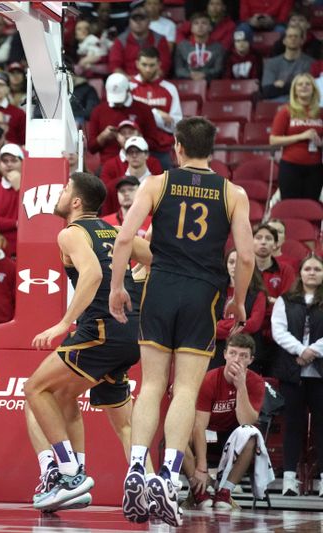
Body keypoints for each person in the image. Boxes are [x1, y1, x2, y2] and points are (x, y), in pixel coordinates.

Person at [109, 117, 254, 526]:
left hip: (160, 286)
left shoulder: (156, 183)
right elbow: (245, 256)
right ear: (213, 149)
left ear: (177, 147)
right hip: (203, 293)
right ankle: (170, 476)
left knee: (151, 384)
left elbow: (124, 238)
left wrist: (117, 287)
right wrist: (239, 300)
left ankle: (138, 467)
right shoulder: (233, 192)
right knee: (186, 388)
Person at [25, 171, 152, 512]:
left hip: (101, 329)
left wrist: (64, 323)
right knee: (76, 400)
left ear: (77, 201)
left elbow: (94, 273)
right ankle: (152, 487)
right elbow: (156, 258)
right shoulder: (115, 231)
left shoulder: (71, 233)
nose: (61, 193)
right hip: (131, 334)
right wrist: (137, 282)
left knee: (35, 389)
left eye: (65, 189)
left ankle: (69, 474)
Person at [182, 334, 270, 510]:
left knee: (251, 436)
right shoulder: (209, 379)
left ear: (251, 360)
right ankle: (198, 490)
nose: (237, 359)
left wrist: (241, 387)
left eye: (243, 356)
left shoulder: (256, 382)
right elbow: (199, 426)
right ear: (224, 354)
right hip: (207, 434)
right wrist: (202, 468)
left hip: (231, 437)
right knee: (179, 436)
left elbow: (246, 422)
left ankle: (224, 493)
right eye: (233, 353)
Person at [271, 255, 323, 498]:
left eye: (317, 269)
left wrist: (314, 351)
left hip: (320, 372)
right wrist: (301, 350)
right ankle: (289, 480)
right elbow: (278, 330)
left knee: (321, 428)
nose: (312, 272)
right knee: (293, 425)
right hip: (292, 370)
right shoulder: (285, 300)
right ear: (300, 273)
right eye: (307, 268)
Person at [269, 74, 323, 201]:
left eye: (307, 84)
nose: (304, 86)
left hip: (315, 168)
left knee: (311, 207)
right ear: (295, 90)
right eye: (300, 84)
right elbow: (273, 140)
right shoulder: (286, 111)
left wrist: (320, 143)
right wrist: (301, 136)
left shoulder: (321, 113)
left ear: (314, 89)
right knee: (290, 206)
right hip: (290, 166)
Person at [87, 73, 161, 165]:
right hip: (109, 164)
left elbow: (155, 144)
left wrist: (136, 138)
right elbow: (91, 148)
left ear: (128, 90)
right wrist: (103, 137)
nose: (117, 103)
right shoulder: (98, 111)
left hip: (138, 162)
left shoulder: (143, 109)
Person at [213, 249, 268, 372]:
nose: (234, 266)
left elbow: (254, 324)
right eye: (231, 262)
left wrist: (221, 325)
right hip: (218, 350)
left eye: (239, 262)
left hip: (246, 351)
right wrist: (238, 324)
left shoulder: (257, 293)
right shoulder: (216, 292)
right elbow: (209, 325)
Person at [130, 47, 181, 171]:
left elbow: (176, 125)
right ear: (137, 64)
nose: (148, 69)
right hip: (133, 148)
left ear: (159, 64)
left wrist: (144, 114)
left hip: (161, 149)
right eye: (144, 65)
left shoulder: (170, 89)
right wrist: (155, 113)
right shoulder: (129, 87)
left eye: (152, 65)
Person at [108, 2, 172, 76]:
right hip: (128, 82)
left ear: (149, 21)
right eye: (135, 19)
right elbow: (115, 65)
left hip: (154, 82)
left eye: (142, 19)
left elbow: (165, 65)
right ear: (129, 22)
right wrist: (130, 80)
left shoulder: (160, 39)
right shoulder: (120, 41)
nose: (138, 22)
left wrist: (148, 80)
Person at [261, 27, 313, 103]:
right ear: (284, 41)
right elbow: (267, 91)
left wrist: (283, 85)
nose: (293, 39)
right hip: (275, 105)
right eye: (290, 36)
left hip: (301, 104)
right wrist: (296, 85)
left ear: (302, 41)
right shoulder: (271, 63)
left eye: (296, 36)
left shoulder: (310, 63)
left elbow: (308, 90)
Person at [173, 12, 225, 81]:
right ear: (191, 28)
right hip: (187, 83)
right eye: (196, 23)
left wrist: (204, 74)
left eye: (204, 23)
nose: (200, 26)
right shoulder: (182, 46)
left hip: (210, 84)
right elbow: (178, 69)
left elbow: (218, 69)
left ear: (210, 27)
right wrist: (190, 75)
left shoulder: (218, 47)